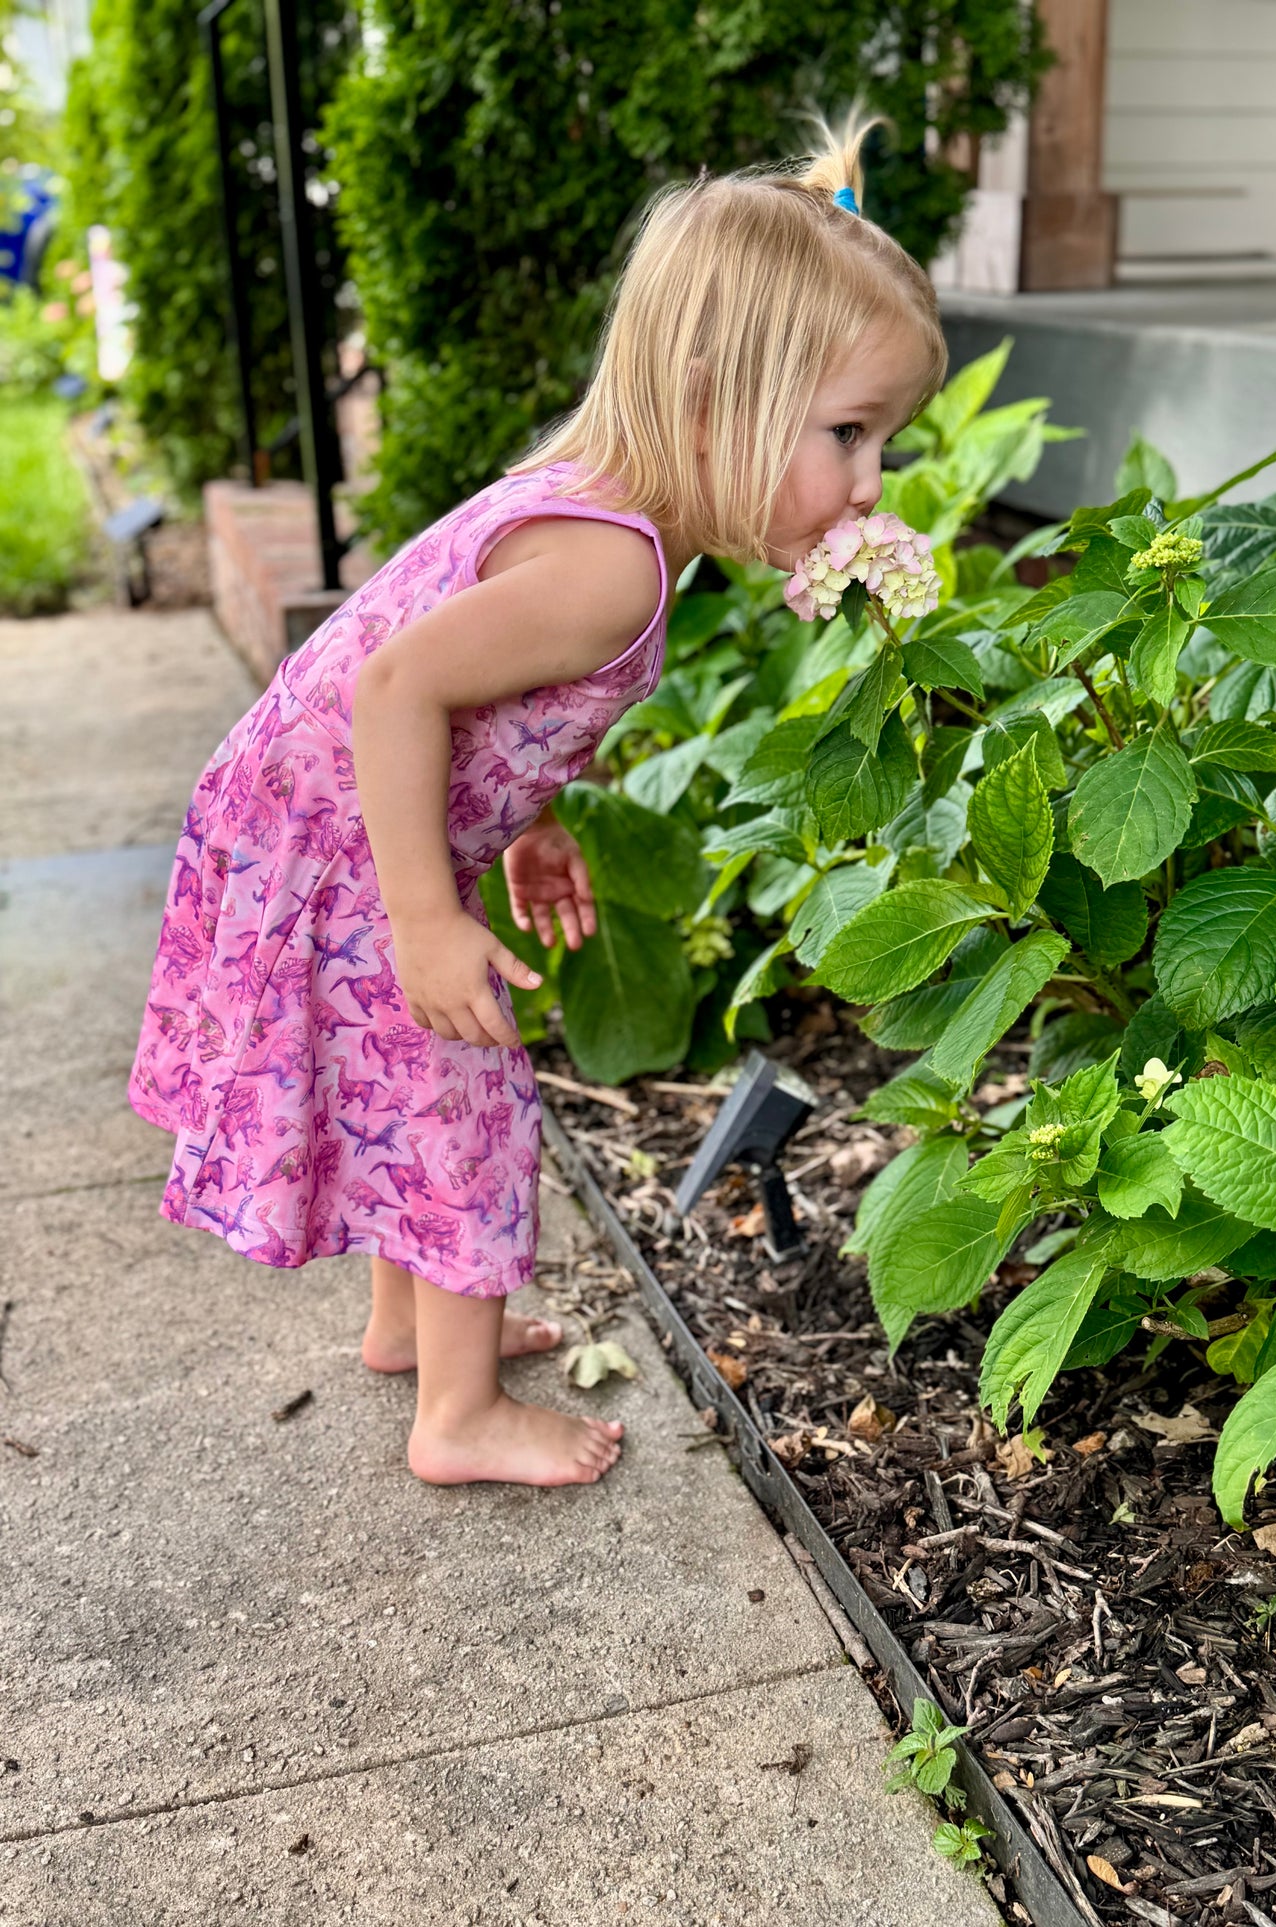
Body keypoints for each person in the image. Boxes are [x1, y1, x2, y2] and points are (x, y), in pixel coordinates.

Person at [130, 119, 947, 1489]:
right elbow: (398, 687)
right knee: (458, 1089)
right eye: (847, 432)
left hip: (308, 819)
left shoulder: (605, 509)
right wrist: (423, 915)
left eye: (884, 439)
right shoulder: (610, 573)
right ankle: (456, 1418)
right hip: (340, 850)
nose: (869, 483)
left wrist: (529, 818)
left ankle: (410, 1327)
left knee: (406, 1080)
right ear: (708, 401)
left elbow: (477, 699)